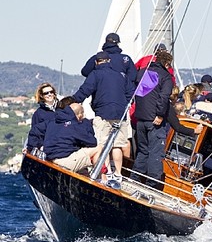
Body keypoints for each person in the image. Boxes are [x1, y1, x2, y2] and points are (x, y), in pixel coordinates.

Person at [72, 51, 133, 181]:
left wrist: (72, 102)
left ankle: (108, 172)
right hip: (120, 114)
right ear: (109, 61)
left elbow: (85, 91)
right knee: (117, 145)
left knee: (102, 144)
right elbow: (130, 94)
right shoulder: (121, 75)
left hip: (103, 114)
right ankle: (118, 174)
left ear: (96, 62)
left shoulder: (95, 74)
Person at [131, 51, 175, 189]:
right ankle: (152, 184)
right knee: (155, 152)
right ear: (167, 63)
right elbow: (164, 97)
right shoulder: (166, 77)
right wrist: (160, 115)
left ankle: (135, 178)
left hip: (140, 118)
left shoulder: (144, 72)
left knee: (142, 150)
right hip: (154, 120)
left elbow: (140, 94)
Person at [42, 102, 99, 174]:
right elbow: (92, 142)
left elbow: (36, 130)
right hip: (64, 162)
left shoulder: (53, 122)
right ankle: (102, 177)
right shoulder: (74, 125)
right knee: (99, 148)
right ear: (80, 115)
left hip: (50, 159)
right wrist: (85, 123)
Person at [25, 83, 58, 153]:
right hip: (48, 148)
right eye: (46, 93)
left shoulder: (63, 108)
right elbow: (35, 133)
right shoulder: (38, 114)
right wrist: (41, 146)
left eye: (51, 92)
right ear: (42, 96)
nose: (49, 94)